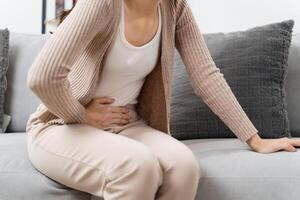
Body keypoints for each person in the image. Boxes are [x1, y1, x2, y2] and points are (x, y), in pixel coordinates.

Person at [25, 0, 300, 199]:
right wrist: (82, 114)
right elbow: (42, 76)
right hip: (62, 126)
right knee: (136, 166)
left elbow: (206, 76)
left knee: (183, 166)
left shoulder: (174, 7)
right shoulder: (102, 5)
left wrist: (254, 138)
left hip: (126, 125)